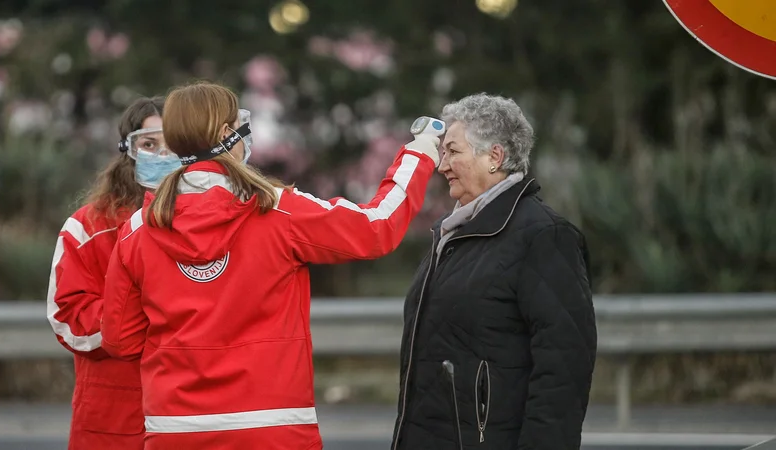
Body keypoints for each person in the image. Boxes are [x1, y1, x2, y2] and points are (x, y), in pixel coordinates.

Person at [99, 81, 441, 450]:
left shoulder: (137, 229)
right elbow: (376, 228)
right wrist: (419, 153)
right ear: (229, 134)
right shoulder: (277, 208)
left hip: (174, 429)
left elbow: (120, 338)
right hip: (274, 426)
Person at [390, 93, 597, 450]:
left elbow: (563, 371)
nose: (442, 165)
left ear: (494, 157)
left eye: (453, 151)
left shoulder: (544, 236)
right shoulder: (452, 234)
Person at [46, 96, 182, 450]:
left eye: (175, 144)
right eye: (149, 144)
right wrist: (139, 315)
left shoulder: (214, 223)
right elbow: (68, 318)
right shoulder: (88, 228)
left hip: (192, 413)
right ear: (128, 149)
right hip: (113, 419)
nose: (162, 156)